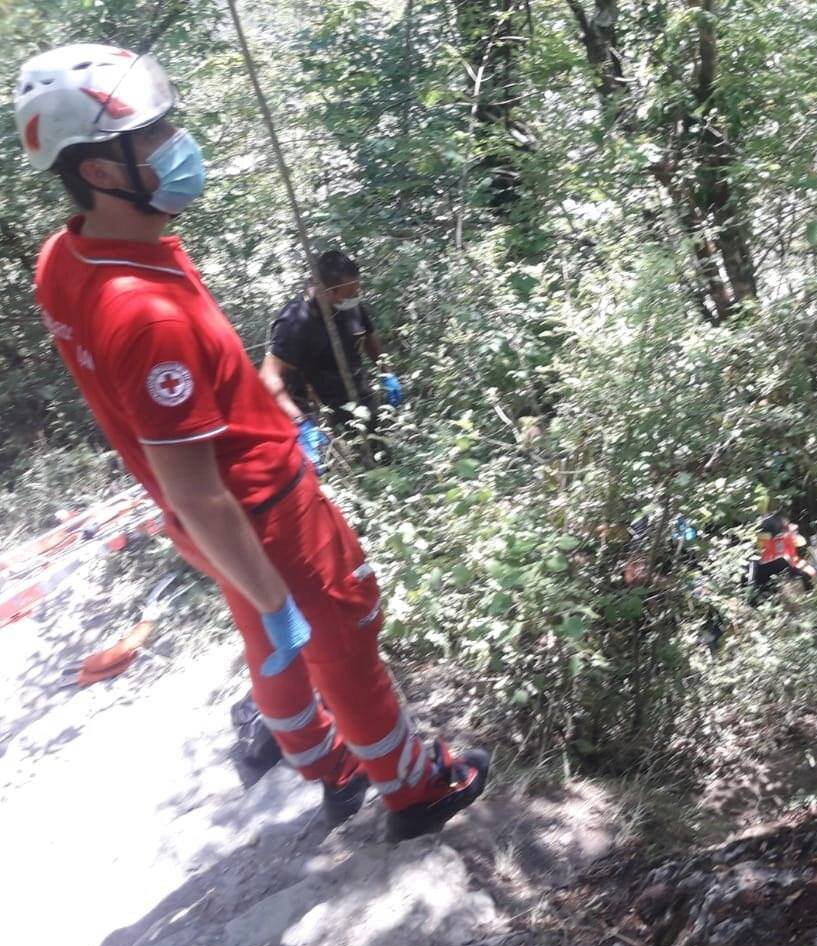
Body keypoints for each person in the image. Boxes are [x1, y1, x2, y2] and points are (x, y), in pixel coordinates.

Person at [18, 44, 489, 840]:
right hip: (259, 509)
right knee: (340, 637)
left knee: (276, 644)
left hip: (210, 519)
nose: (177, 143)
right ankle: (415, 789)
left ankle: (328, 765)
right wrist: (275, 597)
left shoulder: (70, 256)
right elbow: (200, 478)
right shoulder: (144, 313)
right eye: (155, 134)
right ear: (101, 171)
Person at [259, 248, 401, 459]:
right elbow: (267, 378)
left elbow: (369, 336)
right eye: (350, 294)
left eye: (357, 291)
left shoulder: (349, 303)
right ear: (328, 291)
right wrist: (302, 425)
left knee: (382, 457)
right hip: (321, 411)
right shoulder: (294, 322)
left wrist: (387, 373)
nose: (356, 298)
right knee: (345, 467)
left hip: (361, 397)